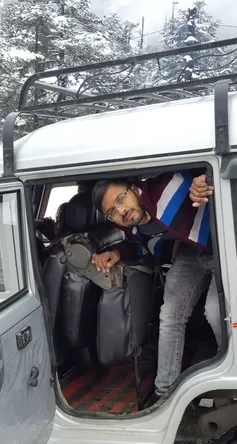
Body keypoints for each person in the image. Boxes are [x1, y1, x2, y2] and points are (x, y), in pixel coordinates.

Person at [92, 172, 222, 410]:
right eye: (112, 212)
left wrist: (198, 181)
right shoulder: (133, 224)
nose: (121, 211)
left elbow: (201, 175)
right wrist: (118, 253)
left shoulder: (167, 186)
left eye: (121, 199)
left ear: (133, 188)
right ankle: (165, 393)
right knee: (170, 316)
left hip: (223, 243)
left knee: (214, 311)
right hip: (190, 252)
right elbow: (143, 245)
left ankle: (229, 377)